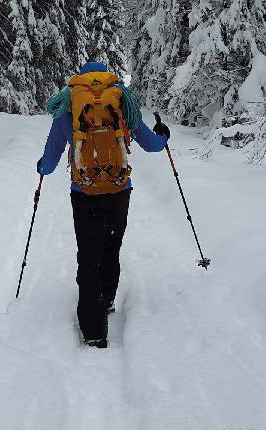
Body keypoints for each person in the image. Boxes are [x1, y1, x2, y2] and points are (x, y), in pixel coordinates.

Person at [36, 61, 170, 349]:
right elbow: (152, 145)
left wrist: (41, 168)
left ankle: (94, 328)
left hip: (83, 192)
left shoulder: (66, 105)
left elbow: (49, 161)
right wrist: (163, 135)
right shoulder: (122, 102)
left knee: (88, 253)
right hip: (119, 190)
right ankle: (107, 299)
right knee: (111, 246)